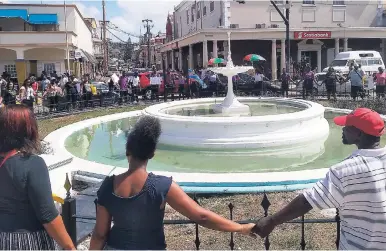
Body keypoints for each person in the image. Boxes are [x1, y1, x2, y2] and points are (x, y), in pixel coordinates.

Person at [89, 116, 256, 250]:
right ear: (152, 154)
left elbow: (100, 234)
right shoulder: (162, 186)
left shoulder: (108, 186)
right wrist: (240, 228)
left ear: (127, 151)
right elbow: (201, 216)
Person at [252, 108, 386, 250]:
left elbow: (307, 201)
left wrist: (272, 221)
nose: (342, 129)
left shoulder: (344, 171)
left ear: (358, 134)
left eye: (347, 127)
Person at [0, 105, 75, 250]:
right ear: (27, 130)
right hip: (27, 241)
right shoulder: (32, 164)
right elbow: (47, 215)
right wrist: (69, 246)